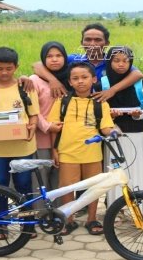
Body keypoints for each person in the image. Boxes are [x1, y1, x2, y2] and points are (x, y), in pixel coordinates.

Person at [48, 62, 115, 236]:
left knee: (94, 188)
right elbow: (54, 127)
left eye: (85, 77)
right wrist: (53, 150)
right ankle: (68, 220)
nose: (80, 82)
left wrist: (115, 132)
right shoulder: (62, 102)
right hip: (67, 152)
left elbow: (106, 127)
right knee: (67, 188)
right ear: (70, 82)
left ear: (93, 79)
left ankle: (91, 219)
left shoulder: (101, 103)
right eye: (75, 78)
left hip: (92, 153)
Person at [0, 47, 40, 223]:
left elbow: (34, 114)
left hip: (23, 145)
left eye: (9, 68)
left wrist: (33, 127)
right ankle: (1, 222)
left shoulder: (25, 87)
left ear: (16, 67)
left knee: (24, 184)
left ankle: (27, 223)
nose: (4, 72)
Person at [32, 23, 142, 101]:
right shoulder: (74, 60)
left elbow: (137, 74)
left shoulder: (113, 61)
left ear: (107, 43)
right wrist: (53, 80)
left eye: (98, 40)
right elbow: (37, 65)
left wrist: (112, 90)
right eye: (88, 40)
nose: (92, 44)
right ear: (82, 42)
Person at [102, 46, 143, 205]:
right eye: (116, 60)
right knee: (116, 172)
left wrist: (139, 115)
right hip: (114, 134)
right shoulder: (103, 83)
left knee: (139, 171)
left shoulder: (140, 83)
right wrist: (109, 115)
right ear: (109, 61)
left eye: (126, 61)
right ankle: (117, 210)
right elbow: (98, 111)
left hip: (138, 133)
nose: (121, 64)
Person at [29, 41, 69, 192]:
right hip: (41, 140)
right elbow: (31, 109)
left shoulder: (70, 79)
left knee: (60, 182)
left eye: (59, 55)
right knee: (40, 182)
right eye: (49, 56)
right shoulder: (34, 80)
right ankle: (41, 214)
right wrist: (46, 126)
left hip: (64, 140)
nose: (54, 59)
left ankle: (59, 214)